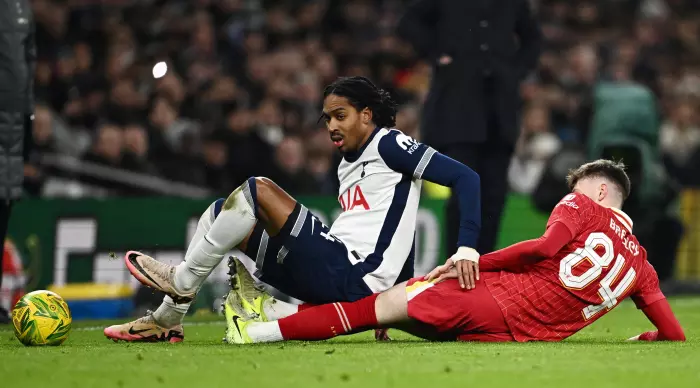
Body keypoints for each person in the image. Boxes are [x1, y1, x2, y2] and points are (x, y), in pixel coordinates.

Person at [104, 76, 482, 342]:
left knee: (258, 190)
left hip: (350, 275)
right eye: (327, 118)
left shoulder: (389, 142)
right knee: (221, 210)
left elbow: (468, 179)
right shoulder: (347, 163)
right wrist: (393, 300)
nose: (331, 126)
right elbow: (398, 227)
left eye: (340, 115)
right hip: (334, 276)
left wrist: (466, 246)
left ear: (367, 115)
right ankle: (168, 319)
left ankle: (183, 281)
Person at [222, 160, 686, 344]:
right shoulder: (642, 267)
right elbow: (674, 335)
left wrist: (475, 259)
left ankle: (254, 332)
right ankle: (273, 309)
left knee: (370, 309)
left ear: (601, 190)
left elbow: (544, 248)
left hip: (489, 296)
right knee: (396, 305)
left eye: (579, 185)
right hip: (514, 336)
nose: (572, 192)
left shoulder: (582, 205)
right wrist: (648, 339)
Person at [398, 0, 542, 255]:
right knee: (464, 191)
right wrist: (437, 54)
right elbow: (409, 22)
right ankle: (457, 263)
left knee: (494, 195)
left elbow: (533, 37)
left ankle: (484, 265)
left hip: (500, 111)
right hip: (459, 109)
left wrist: (514, 71)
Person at [0, 0, 35, 324]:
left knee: (3, 207)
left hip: (11, 130)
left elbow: (27, 65)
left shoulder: (21, 8)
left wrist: (28, 123)